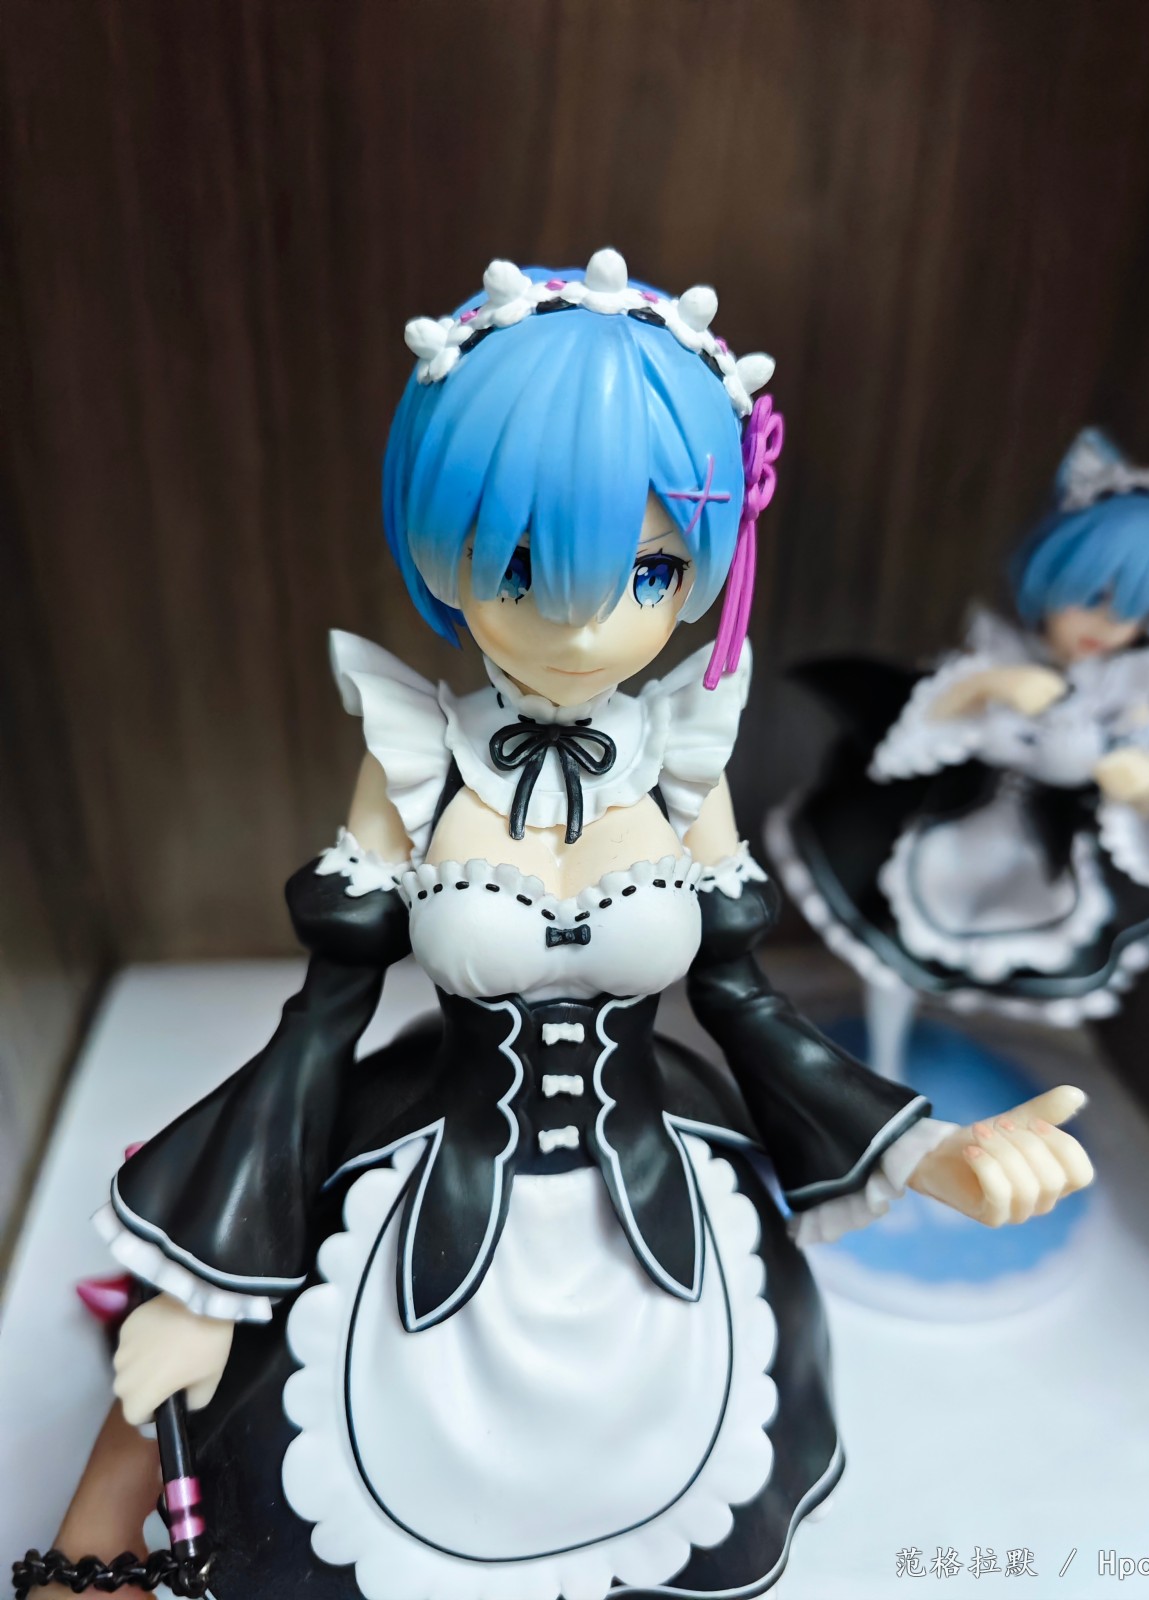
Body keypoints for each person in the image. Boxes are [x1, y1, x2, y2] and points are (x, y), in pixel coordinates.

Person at [77, 253, 1090, 1600]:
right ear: (439, 543)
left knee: (685, 1468)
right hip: (433, 1187)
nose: (586, 621)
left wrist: (928, 1152)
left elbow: (750, 1007)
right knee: (304, 1442)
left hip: (660, 1204)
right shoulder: (415, 754)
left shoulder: (682, 754)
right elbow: (320, 1022)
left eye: (652, 569)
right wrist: (207, 1286)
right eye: (520, 563)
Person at [768, 429, 1149, 1075]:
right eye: (1091, 595)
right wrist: (989, 690)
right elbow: (928, 718)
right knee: (894, 949)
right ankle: (886, 1064)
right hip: (951, 822)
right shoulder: (999, 652)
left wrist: (1134, 778)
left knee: (988, 954)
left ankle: (928, 1061)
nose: (1106, 624)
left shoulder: (1125, 687)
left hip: (1034, 849)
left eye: (1134, 609)